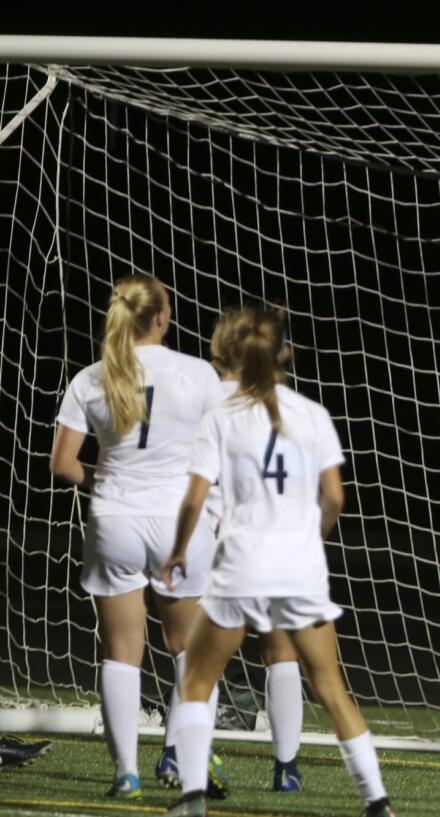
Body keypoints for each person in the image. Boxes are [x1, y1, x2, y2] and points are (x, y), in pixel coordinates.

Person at [160, 308, 394, 817]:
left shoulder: (220, 417)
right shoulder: (312, 415)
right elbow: (335, 497)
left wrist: (178, 550)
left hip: (240, 564)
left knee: (197, 681)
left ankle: (193, 798)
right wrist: (312, 536)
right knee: (331, 688)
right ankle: (378, 804)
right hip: (300, 568)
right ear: (284, 354)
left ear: (228, 354)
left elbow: (194, 499)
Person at [50, 275, 228, 800]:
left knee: (122, 650)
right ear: (160, 318)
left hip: (117, 522)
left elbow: (62, 465)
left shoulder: (90, 377)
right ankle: (180, 759)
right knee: (190, 651)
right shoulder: (198, 374)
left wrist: (99, 479)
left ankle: (125, 772)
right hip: (180, 523)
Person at [164, 307, 307, 794]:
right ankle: (286, 767)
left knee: (197, 655)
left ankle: (174, 755)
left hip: (205, 534)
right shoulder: (285, 405)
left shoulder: (196, 397)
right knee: (280, 646)